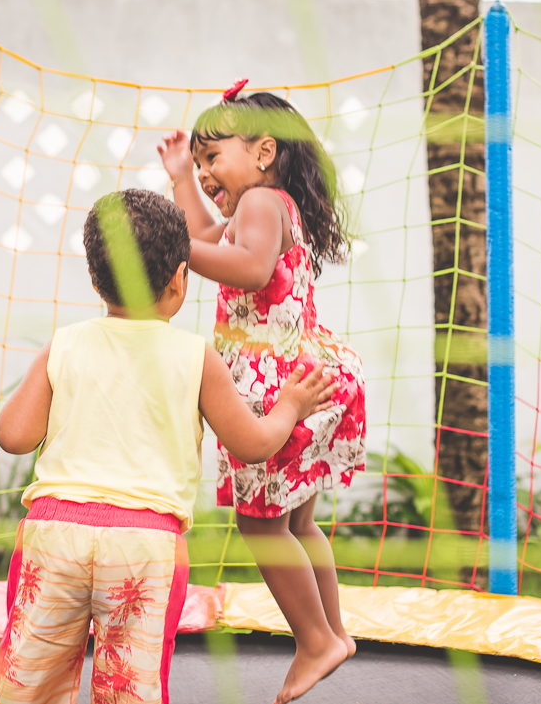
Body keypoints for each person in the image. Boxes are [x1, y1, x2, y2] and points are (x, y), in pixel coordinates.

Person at [0, 188, 337, 704]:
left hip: (54, 533)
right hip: (144, 545)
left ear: (93, 279)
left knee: (29, 681)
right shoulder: (194, 356)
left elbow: (12, 436)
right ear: (180, 278)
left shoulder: (66, 342)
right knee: (131, 687)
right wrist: (290, 405)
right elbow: (253, 445)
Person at [157, 84, 367, 704]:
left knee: (260, 524)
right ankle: (333, 632)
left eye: (211, 160)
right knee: (298, 522)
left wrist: (167, 247)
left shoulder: (261, 206)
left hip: (275, 384)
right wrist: (180, 184)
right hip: (314, 371)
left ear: (265, 151)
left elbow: (244, 267)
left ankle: (315, 641)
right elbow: (207, 235)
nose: (204, 172)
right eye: (197, 164)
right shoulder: (270, 205)